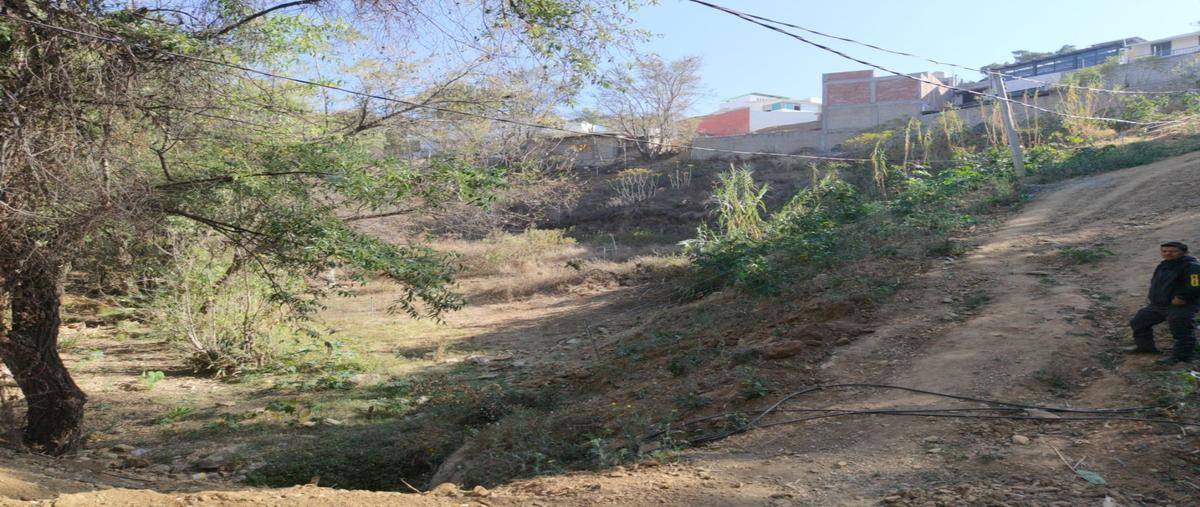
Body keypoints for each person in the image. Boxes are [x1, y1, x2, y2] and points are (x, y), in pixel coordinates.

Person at [1126, 241, 1200, 365]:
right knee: (1139, 322)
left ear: (1184, 252)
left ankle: (1181, 357)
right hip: (1158, 305)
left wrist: (1183, 297)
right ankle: (1145, 348)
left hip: (1181, 306)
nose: (1168, 254)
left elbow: (1196, 286)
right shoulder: (1164, 265)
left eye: (1172, 251)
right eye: (1164, 251)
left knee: (1181, 331)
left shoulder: (1192, 266)